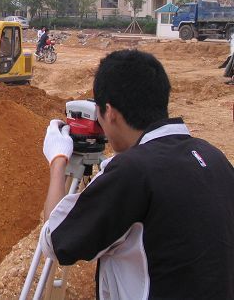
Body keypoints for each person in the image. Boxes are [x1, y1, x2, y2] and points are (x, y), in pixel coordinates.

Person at [40, 49, 234, 299]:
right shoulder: (213, 156)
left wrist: (57, 160)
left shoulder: (133, 172)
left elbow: (55, 241)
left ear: (109, 112)